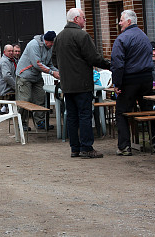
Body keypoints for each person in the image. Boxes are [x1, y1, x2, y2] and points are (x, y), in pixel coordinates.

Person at [51, 8, 110, 158]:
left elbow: (53, 60)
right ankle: (86, 148)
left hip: (67, 85)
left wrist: (66, 70)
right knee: (84, 115)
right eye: (83, 18)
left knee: (71, 116)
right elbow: (93, 58)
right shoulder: (82, 35)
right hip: (82, 84)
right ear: (76, 19)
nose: (85, 20)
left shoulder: (59, 37)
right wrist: (110, 64)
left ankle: (75, 148)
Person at [111, 10, 153, 156]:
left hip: (129, 81)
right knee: (148, 111)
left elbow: (117, 64)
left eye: (121, 20)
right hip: (147, 79)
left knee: (121, 112)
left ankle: (124, 146)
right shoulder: (144, 36)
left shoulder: (122, 39)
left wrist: (117, 84)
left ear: (129, 21)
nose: (119, 23)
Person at [16, 31, 60, 131]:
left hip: (36, 77)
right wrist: (52, 73)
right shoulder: (33, 45)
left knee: (41, 98)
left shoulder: (49, 47)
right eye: (51, 43)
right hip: (24, 76)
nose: (52, 45)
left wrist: (58, 72)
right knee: (25, 100)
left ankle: (40, 122)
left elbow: (49, 64)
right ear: (46, 40)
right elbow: (37, 64)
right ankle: (21, 123)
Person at [0, 44, 16, 115]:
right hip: (4, 87)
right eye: (9, 51)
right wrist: (16, 86)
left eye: (12, 51)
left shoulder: (11, 60)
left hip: (7, 86)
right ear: (4, 52)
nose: (11, 53)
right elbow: (7, 77)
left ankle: (4, 108)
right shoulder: (5, 61)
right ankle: (18, 112)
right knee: (22, 92)